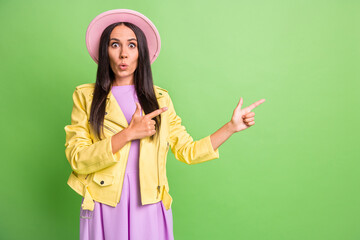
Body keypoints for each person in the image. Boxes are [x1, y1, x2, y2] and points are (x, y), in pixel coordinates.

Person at [64, 9, 265, 240]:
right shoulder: (86, 97)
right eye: (114, 45)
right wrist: (129, 133)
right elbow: (78, 158)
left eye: (132, 45)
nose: (123, 55)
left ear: (141, 51)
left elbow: (188, 151)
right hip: (104, 202)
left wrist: (230, 127)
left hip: (149, 203)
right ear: (105, 51)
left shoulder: (160, 100)